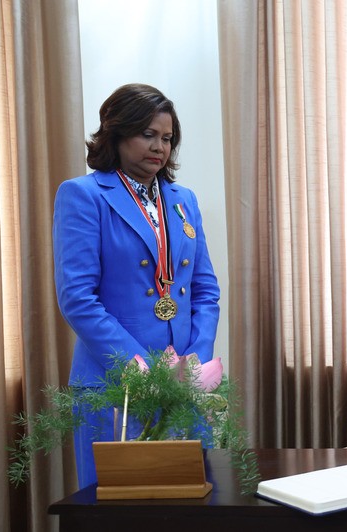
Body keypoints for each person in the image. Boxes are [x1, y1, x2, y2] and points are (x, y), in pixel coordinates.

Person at [53, 83, 221, 488]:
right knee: (118, 506)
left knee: (193, 500)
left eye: (167, 138)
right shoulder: (83, 195)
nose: (159, 147)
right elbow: (78, 298)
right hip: (115, 382)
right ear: (117, 133)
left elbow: (205, 291)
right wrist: (141, 370)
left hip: (181, 383)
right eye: (148, 134)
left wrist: (194, 364)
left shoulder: (184, 199)